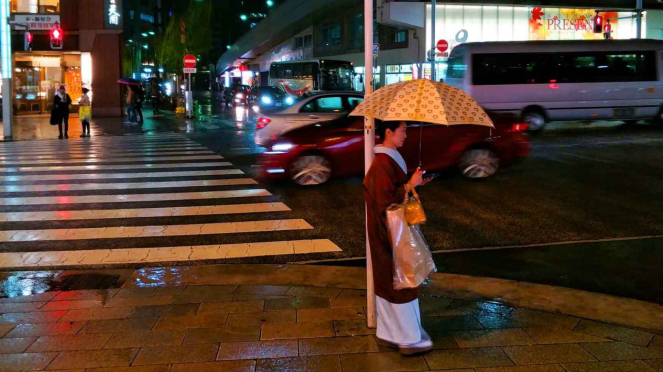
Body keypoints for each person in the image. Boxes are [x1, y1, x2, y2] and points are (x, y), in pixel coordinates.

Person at [364, 120, 433, 356]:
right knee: (401, 280)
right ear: (389, 132)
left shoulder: (388, 158)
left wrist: (412, 184)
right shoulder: (383, 162)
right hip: (390, 232)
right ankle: (407, 338)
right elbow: (384, 199)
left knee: (400, 279)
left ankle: (402, 334)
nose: (406, 135)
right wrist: (408, 186)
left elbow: (391, 192)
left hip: (393, 230)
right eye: (403, 130)